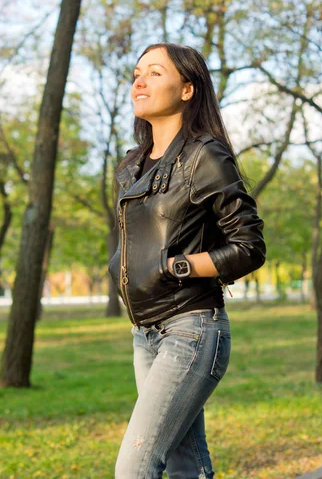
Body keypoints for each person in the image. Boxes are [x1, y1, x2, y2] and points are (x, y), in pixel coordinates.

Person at [108, 42, 266, 479]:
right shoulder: (133, 165)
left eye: (156, 73)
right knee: (185, 464)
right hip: (145, 334)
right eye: (138, 73)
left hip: (191, 329)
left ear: (187, 89)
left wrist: (178, 266)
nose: (140, 80)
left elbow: (249, 244)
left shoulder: (204, 156)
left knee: (135, 466)